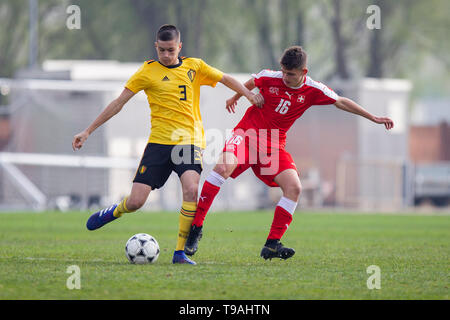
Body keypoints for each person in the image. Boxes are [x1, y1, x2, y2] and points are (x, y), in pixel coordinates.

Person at [71, 24, 263, 265]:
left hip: (189, 141)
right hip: (159, 144)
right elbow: (118, 103)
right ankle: (115, 211)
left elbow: (226, 78)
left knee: (192, 190)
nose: (166, 55)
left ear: (179, 47)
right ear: (156, 47)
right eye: (162, 50)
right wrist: (88, 130)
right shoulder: (146, 72)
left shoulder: (195, 67)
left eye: (171, 50)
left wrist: (248, 94)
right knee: (136, 202)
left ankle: (180, 252)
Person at [184, 46, 394, 261]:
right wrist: (237, 97)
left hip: (273, 146)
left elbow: (341, 101)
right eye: (283, 71)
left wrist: (373, 118)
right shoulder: (270, 77)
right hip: (247, 134)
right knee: (222, 168)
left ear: (304, 72)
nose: (285, 77)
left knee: (294, 187)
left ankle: (272, 244)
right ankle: (196, 227)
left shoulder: (313, 89)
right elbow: (252, 82)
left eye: (291, 74)